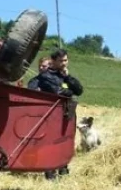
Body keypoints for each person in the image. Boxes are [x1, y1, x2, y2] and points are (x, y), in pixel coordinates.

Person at [29, 49, 83, 179]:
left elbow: (79, 90)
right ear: (54, 61)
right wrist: (69, 90)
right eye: (61, 61)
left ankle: (63, 170)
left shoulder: (65, 76)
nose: (64, 63)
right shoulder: (46, 76)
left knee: (65, 141)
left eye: (65, 60)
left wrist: (67, 78)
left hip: (67, 113)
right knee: (50, 143)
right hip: (52, 115)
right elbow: (60, 92)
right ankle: (50, 174)